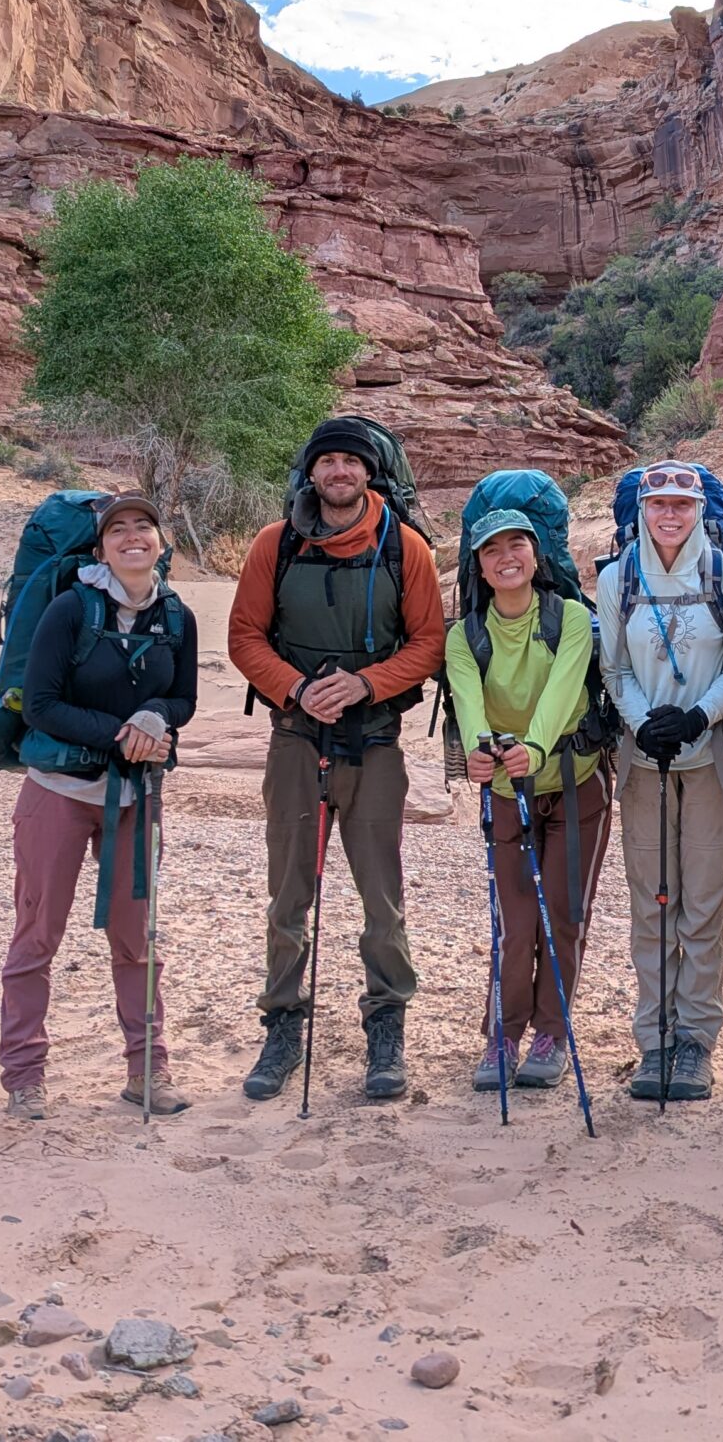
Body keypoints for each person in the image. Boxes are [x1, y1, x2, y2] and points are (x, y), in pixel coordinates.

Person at [227, 419, 445, 1103]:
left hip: (375, 740)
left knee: (381, 896)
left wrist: (364, 684)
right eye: (329, 462)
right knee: (289, 891)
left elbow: (429, 643)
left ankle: (387, 1025)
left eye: (352, 461)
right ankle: (283, 1025)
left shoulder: (405, 547)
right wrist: (295, 688)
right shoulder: (276, 544)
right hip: (295, 737)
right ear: (311, 472)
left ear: (370, 472)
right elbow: (244, 635)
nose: (340, 472)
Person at [0, 492, 196, 1120]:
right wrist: (122, 733)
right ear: (100, 546)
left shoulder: (176, 616)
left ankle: (148, 1072)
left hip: (136, 797)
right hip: (58, 793)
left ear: (162, 542)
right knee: (37, 937)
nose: (133, 536)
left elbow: (183, 698)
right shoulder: (70, 608)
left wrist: (155, 714)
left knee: (137, 939)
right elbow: (41, 706)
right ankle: (24, 1078)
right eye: (119, 530)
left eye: (145, 526)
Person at [598, 459, 723, 1102]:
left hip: (711, 757)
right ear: (643, 509)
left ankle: (695, 1041)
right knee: (652, 903)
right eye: (659, 503)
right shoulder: (618, 579)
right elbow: (613, 667)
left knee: (702, 902)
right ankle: (654, 1041)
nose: (670, 514)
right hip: (643, 762)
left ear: (699, 511)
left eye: (682, 505)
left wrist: (697, 715)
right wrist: (646, 724)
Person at [443, 508, 611, 1090]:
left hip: (573, 782)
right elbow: (468, 703)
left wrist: (533, 749)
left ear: (537, 557)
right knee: (514, 922)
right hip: (506, 790)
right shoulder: (464, 636)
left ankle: (551, 1031)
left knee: (562, 915)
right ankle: (502, 1034)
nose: (506, 557)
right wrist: (480, 752)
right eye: (492, 550)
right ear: (479, 567)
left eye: (518, 545)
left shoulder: (569, 619)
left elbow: (565, 691)